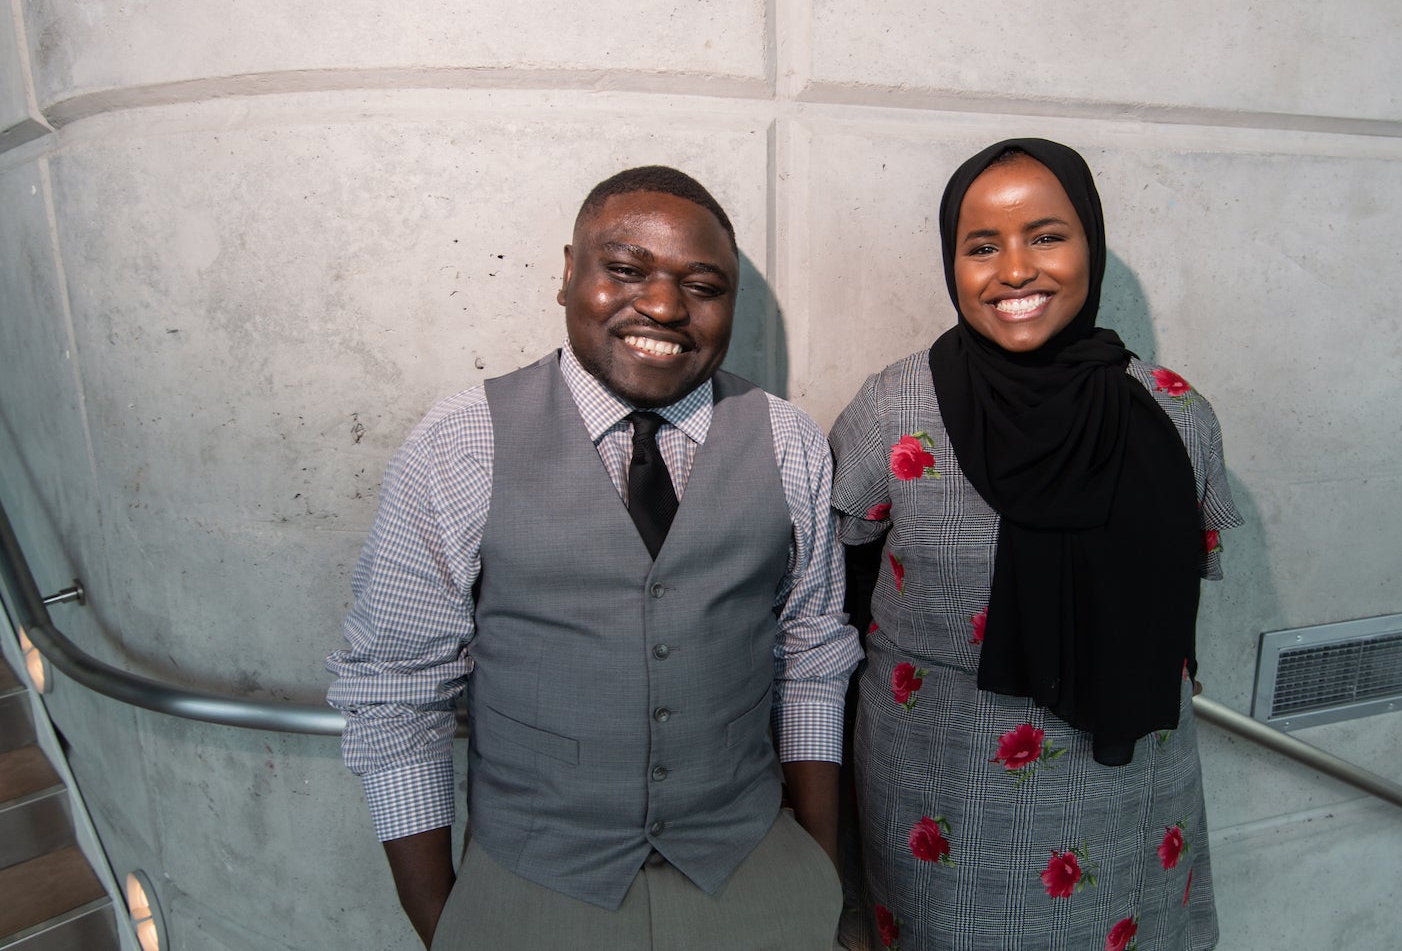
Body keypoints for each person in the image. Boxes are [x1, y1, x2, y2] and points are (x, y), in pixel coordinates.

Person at [327, 166, 862, 950]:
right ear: (568, 272)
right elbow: (396, 688)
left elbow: (813, 656)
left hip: (753, 872)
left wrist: (818, 871)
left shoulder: (786, 439)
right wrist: (442, 919)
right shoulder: (463, 441)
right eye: (626, 269)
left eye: (703, 284)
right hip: (532, 883)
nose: (664, 305)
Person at [829, 139, 1242, 951]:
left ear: (1089, 240)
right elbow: (833, 592)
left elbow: (1181, 609)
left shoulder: (1174, 416)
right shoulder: (893, 409)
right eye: (982, 246)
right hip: (941, 793)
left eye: (1046, 236)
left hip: (1124, 792)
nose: (1015, 269)